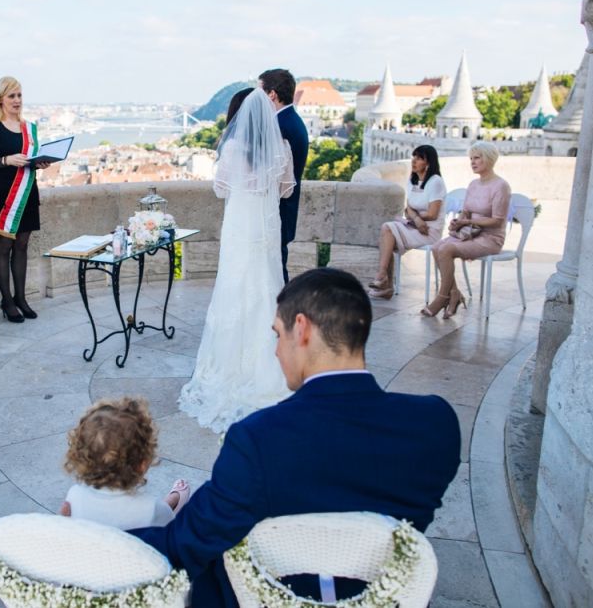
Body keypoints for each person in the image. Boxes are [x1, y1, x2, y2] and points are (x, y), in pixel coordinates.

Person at [134, 268, 461, 606]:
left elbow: (182, 545)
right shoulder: (436, 424)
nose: (276, 351)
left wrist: (95, 534)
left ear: (301, 329)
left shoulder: (257, 440)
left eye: (277, 334)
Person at [177, 88, 295, 433]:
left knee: (233, 292)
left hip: (239, 233)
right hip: (266, 234)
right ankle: (272, 367)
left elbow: (221, 189)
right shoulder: (281, 148)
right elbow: (286, 188)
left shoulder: (230, 148)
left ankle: (228, 366)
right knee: (267, 290)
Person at [0, 77, 52, 322]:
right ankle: (6, 302)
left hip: (27, 193)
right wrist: (7, 160)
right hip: (3, 195)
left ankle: (21, 298)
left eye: (19, 95)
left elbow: (29, 160)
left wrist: (40, 162)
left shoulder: (29, 128)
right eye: (12, 96)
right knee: (4, 247)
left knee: (22, 246)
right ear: (1, 99)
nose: (17, 100)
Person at [60, 397, 190, 530]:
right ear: (142, 465)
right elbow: (170, 536)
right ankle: (171, 503)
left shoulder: (75, 495)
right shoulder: (152, 508)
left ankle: (171, 502)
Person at [425, 142, 512, 318]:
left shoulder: (501, 186)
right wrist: (458, 223)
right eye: (471, 158)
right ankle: (455, 293)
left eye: (477, 157)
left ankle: (442, 297)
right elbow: (466, 213)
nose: (472, 162)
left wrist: (469, 221)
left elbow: (497, 220)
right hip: (469, 233)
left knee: (447, 249)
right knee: (436, 247)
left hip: (490, 238)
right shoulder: (473, 184)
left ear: (489, 159)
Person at [369, 144, 447, 299]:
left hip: (429, 231)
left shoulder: (435, 181)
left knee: (388, 232)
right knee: (387, 231)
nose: (414, 161)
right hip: (416, 227)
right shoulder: (413, 181)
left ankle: (384, 281)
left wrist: (416, 217)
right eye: (414, 157)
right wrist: (416, 218)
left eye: (419, 158)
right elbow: (408, 209)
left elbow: (432, 213)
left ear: (428, 163)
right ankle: (383, 278)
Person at [259, 68, 309, 282]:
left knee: (276, 269)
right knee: (275, 265)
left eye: (259, 91)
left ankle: (283, 311)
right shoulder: (291, 120)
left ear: (272, 94)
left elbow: (269, 173)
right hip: (284, 207)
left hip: (277, 208)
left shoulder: (280, 126)